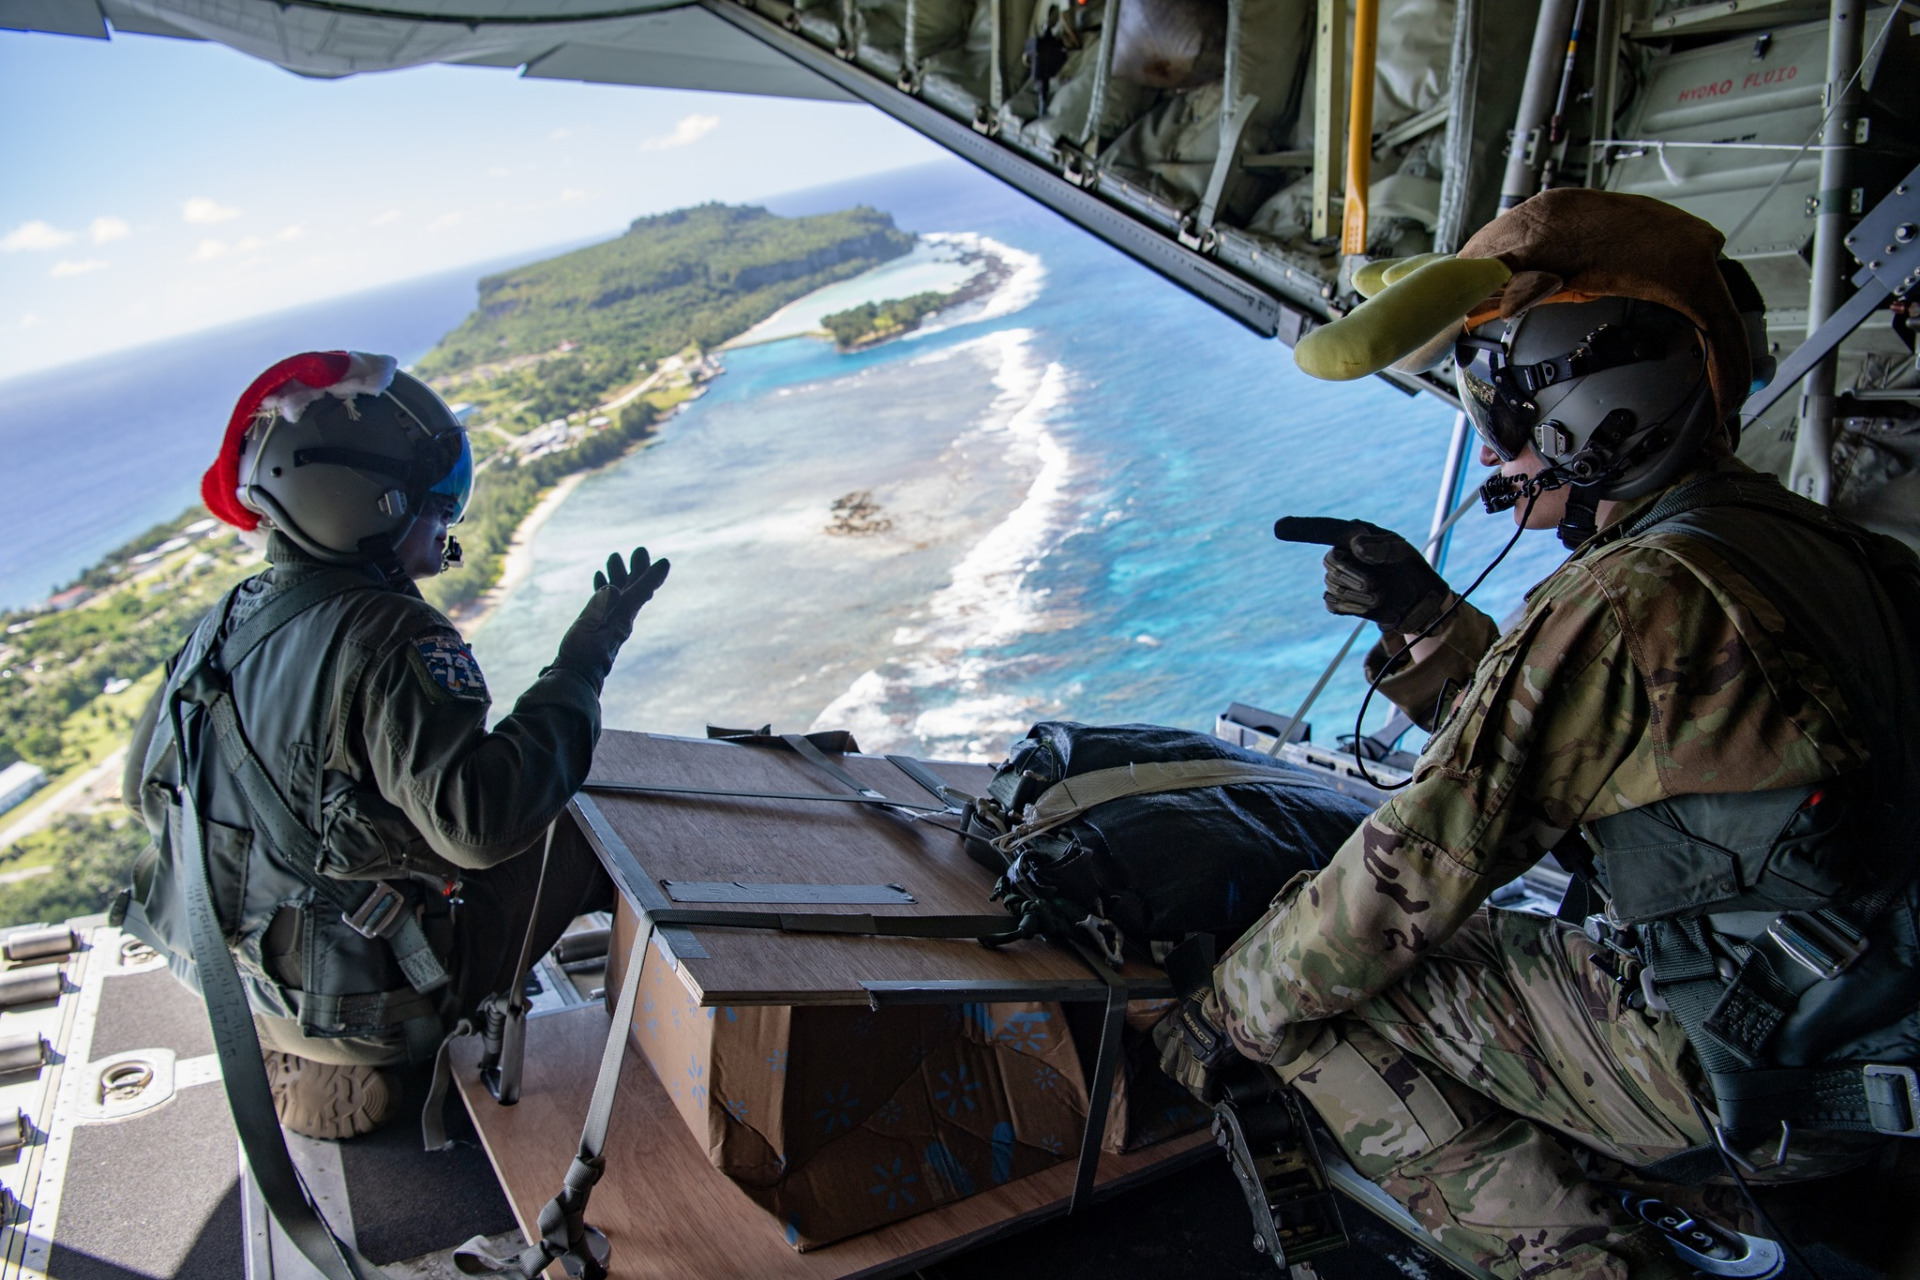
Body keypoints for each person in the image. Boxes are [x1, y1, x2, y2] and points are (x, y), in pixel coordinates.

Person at [1160, 191, 1920, 1279]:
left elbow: (1402, 878)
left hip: (1759, 1071)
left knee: (1317, 992)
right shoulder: (1803, 542)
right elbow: (1605, 742)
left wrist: (1217, 1012)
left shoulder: (1627, 593)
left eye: (1504, 396)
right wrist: (1423, 616)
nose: (1494, 440)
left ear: (1594, 401)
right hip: (1866, 1041)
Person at [119, 351, 670, 1141]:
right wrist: (585, 660)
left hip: (230, 981)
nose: (445, 518)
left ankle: (315, 1034)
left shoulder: (225, 620)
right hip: (361, 1004)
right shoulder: (388, 633)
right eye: (433, 499)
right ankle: (641, 1059)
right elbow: (483, 825)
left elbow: (142, 787)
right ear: (365, 501)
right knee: (586, 820)